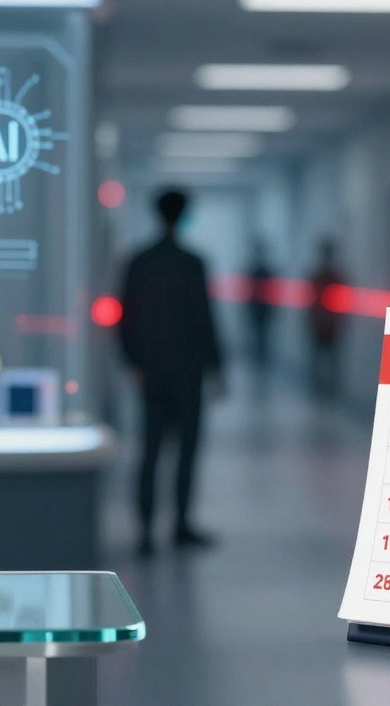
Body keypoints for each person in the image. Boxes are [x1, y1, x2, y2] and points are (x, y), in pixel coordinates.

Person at [118, 189, 223, 556]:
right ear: (183, 215)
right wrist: (216, 367)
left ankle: (146, 531)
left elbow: (124, 318)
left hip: (152, 372)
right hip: (187, 372)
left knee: (150, 451)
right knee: (186, 450)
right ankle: (180, 525)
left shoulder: (138, 261)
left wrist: (133, 363)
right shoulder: (192, 263)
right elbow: (204, 319)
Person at [307, 239, 345, 398]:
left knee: (330, 359)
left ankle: (328, 390)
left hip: (330, 325)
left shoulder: (332, 277)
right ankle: (321, 389)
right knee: (322, 358)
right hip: (321, 324)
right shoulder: (320, 277)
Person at [246, 240, 275, 371]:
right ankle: (259, 355)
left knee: (262, 333)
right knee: (258, 333)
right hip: (258, 309)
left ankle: (261, 355)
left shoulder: (263, 273)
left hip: (262, 309)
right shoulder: (257, 272)